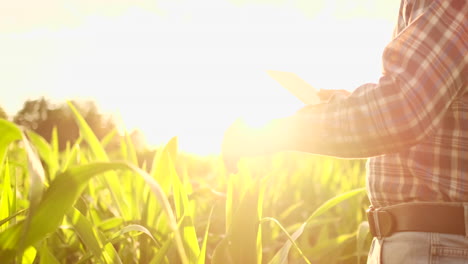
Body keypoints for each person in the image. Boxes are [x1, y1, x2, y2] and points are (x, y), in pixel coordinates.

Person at [221, 0, 467, 263]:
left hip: (433, 243)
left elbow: (404, 108)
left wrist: (276, 132)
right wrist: (342, 103)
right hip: (424, 242)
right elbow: (421, 103)